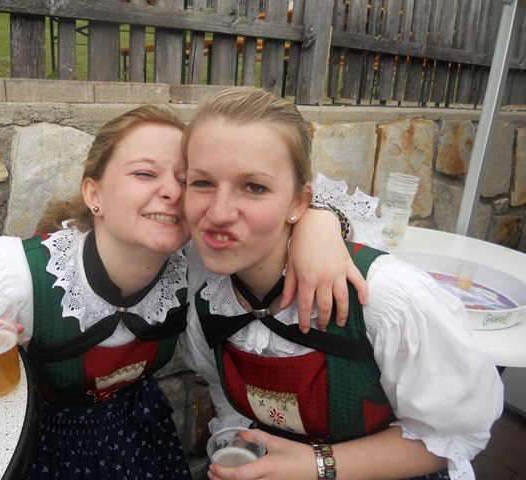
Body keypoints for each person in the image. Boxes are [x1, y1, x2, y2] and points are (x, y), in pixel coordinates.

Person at [0, 104, 365, 479]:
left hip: (141, 432)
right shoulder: (22, 275)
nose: (172, 192)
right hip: (47, 445)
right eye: (144, 173)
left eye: (187, 181)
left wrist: (321, 225)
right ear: (93, 194)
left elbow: (292, 201)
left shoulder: (199, 264)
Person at [180, 87, 504, 480]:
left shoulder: (386, 297)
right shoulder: (204, 290)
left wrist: (316, 466)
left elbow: (456, 436)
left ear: (300, 202)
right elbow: (225, 397)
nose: (218, 213)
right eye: (201, 183)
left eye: (254, 187)